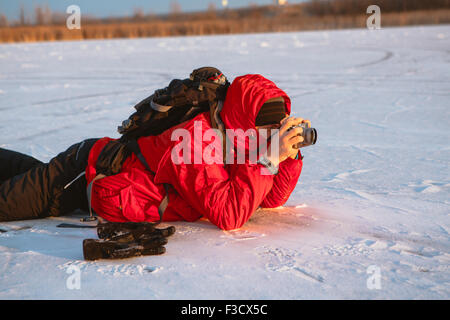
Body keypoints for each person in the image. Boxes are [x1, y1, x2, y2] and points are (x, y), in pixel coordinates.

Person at [0, 74, 309, 230]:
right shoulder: (195, 139)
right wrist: (267, 159)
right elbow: (229, 215)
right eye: (268, 130)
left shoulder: (241, 141)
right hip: (83, 173)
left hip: (96, 174)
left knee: (24, 176)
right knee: (7, 205)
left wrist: (287, 157)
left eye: (276, 130)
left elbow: (267, 199)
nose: (271, 137)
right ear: (245, 121)